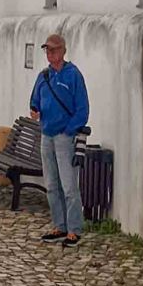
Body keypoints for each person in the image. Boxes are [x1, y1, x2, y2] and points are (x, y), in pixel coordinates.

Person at [29, 33, 90, 247]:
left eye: (53, 49)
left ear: (63, 50)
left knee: (69, 185)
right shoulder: (44, 76)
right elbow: (35, 100)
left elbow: (82, 109)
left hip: (64, 136)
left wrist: (68, 130)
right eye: (47, 50)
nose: (50, 53)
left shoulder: (73, 75)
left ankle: (74, 229)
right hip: (47, 135)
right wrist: (35, 110)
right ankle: (59, 225)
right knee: (52, 185)